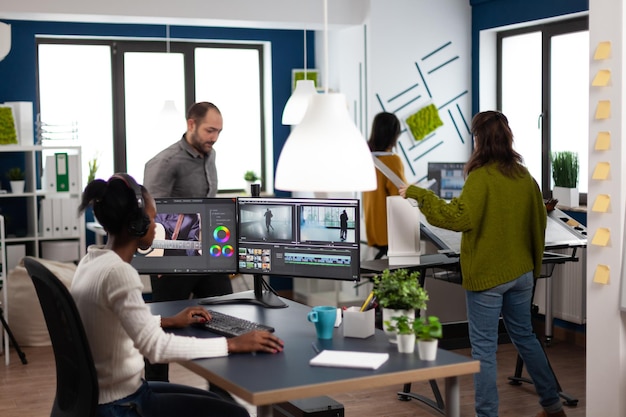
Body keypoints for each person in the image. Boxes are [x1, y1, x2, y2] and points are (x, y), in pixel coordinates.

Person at [71, 173, 284, 417]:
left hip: (106, 395)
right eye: (153, 218)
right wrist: (232, 344)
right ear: (137, 225)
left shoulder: (91, 261)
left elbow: (110, 321)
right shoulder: (119, 273)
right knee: (237, 414)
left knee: (218, 401)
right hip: (121, 404)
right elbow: (156, 348)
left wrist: (167, 321)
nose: (156, 225)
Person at [399, 111, 565, 417]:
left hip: (489, 277)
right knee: (526, 337)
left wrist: (419, 194)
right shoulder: (523, 175)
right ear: (507, 136)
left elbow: (458, 217)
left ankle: (487, 415)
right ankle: (553, 406)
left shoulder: (481, 177)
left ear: (478, 139)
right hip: (522, 273)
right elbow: (538, 220)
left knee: (484, 351)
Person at [143, 101, 233, 383]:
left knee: (223, 319)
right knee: (161, 330)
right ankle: (155, 391)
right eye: (210, 130)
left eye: (218, 131)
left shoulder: (210, 154)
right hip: (174, 260)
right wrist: (158, 257)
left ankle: (222, 391)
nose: (214, 137)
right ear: (190, 124)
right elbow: (153, 215)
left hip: (207, 255)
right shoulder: (165, 162)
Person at [362, 112, 407, 259]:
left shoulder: (366, 158)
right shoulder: (392, 160)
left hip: (373, 231)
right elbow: (400, 196)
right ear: (394, 135)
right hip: (389, 234)